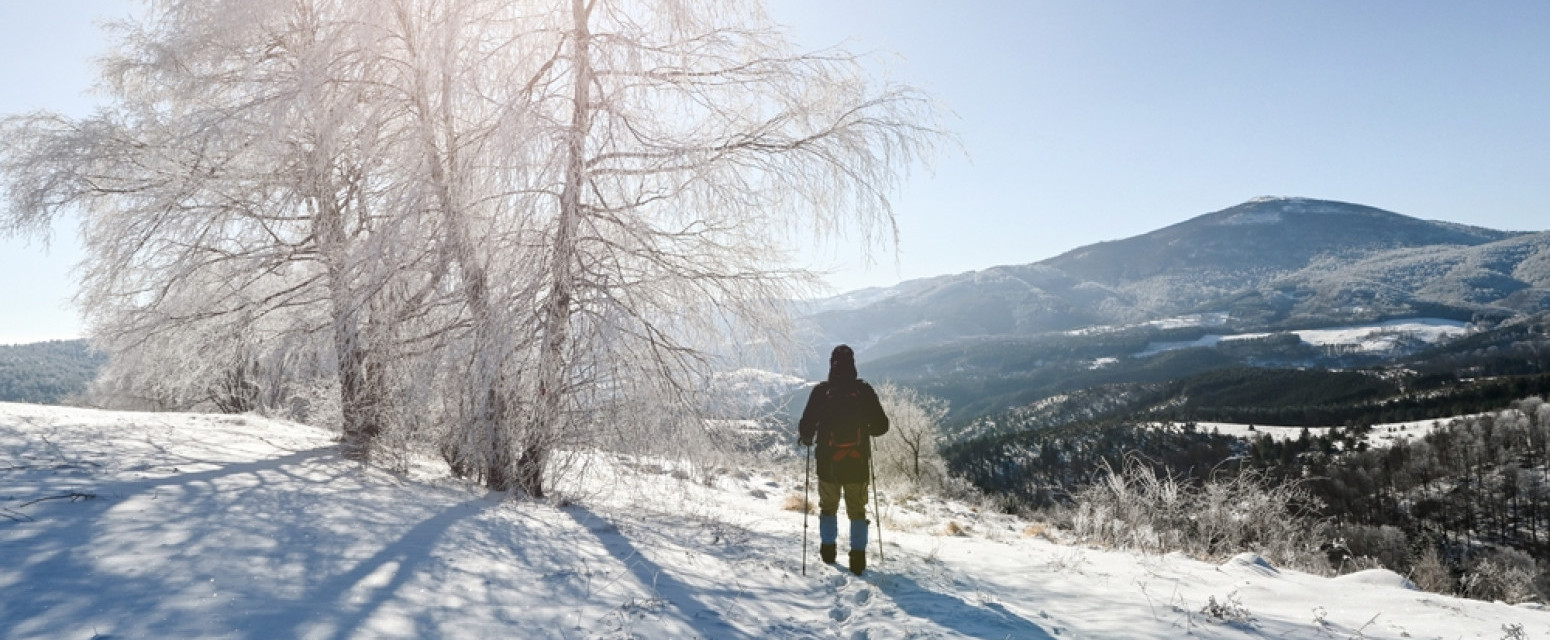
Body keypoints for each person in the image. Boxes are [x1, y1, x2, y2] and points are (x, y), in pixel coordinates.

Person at [798, 344, 889, 575]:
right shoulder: (864, 391)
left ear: (831, 365)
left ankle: (828, 550)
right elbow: (881, 427)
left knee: (828, 507)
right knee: (857, 510)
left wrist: (809, 437)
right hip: (857, 463)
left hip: (828, 463)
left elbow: (806, 427)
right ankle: (857, 558)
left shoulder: (821, 392)